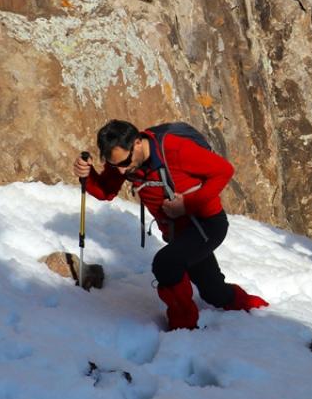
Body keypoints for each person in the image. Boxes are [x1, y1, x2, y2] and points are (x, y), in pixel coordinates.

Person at [73, 120, 268, 331]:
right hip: (179, 233)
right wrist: (88, 175)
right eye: (114, 165)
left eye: (124, 164)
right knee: (214, 292)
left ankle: (183, 328)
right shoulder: (124, 160)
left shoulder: (175, 149)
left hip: (207, 224)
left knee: (166, 264)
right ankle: (254, 307)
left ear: (137, 142)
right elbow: (106, 191)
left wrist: (186, 204)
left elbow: (224, 170)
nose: (121, 172)